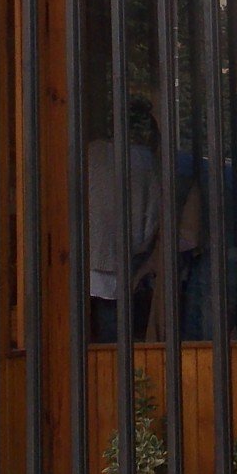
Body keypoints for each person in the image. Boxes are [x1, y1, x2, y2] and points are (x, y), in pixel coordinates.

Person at [85, 99, 159, 341]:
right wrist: (139, 252)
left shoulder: (91, 152)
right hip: (123, 262)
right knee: (117, 343)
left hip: (82, 258)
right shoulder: (147, 162)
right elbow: (152, 220)